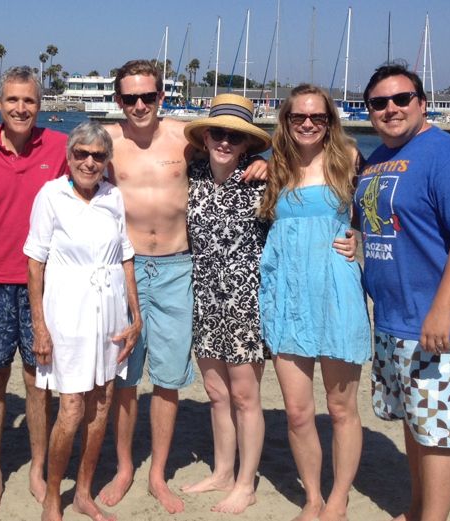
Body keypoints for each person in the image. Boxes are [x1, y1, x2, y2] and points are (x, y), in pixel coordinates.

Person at [99, 59, 269, 514]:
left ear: (161, 97)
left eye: (148, 97)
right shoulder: (106, 140)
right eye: (130, 98)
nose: (139, 105)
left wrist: (267, 165)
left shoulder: (185, 138)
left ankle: (158, 474)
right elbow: (59, 158)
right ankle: (123, 467)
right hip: (127, 270)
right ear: (118, 100)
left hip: (178, 269)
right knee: (125, 378)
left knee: (169, 379)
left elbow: (240, 152)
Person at [354, 63, 450, 521]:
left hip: (438, 322)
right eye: (378, 103)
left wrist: (441, 310)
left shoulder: (446, 155)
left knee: (437, 434)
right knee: (415, 424)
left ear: (422, 102)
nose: (390, 109)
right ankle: (416, 510)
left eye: (401, 99)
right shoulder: (375, 162)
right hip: (393, 318)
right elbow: (383, 228)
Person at [258, 84, 372, 521]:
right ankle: (313, 498)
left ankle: (339, 497)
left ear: (329, 122)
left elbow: (384, 212)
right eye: (299, 117)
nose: (308, 123)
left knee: (342, 408)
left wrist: (358, 237)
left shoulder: (351, 162)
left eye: (318, 118)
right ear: (285, 121)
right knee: (299, 411)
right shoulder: (275, 167)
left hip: (336, 292)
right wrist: (256, 160)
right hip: (288, 296)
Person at [0, 65, 68, 513]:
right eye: (12, 100)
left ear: (39, 106)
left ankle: (38, 469)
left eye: (29, 101)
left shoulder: (60, 147)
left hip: (44, 283)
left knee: (38, 380)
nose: (20, 108)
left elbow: (103, 164)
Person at [25, 121, 142, 521]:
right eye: (81, 154)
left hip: (110, 316)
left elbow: (126, 256)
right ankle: (54, 495)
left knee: (102, 404)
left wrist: (135, 315)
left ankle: (85, 492)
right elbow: (34, 263)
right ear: (69, 155)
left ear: (107, 160)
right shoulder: (51, 195)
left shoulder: (113, 197)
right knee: (72, 408)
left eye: (98, 156)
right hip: (67, 317)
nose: (89, 162)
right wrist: (39, 327)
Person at [179, 94, 272, 515]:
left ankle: (246, 483)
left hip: (245, 301)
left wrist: (345, 240)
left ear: (248, 144)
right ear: (206, 137)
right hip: (202, 297)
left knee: (245, 396)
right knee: (217, 394)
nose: (225, 141)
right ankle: (221, 471)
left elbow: (328, 165)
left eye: (235, 136)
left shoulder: (263, 180)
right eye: (218, 132)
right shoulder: (193, 173)